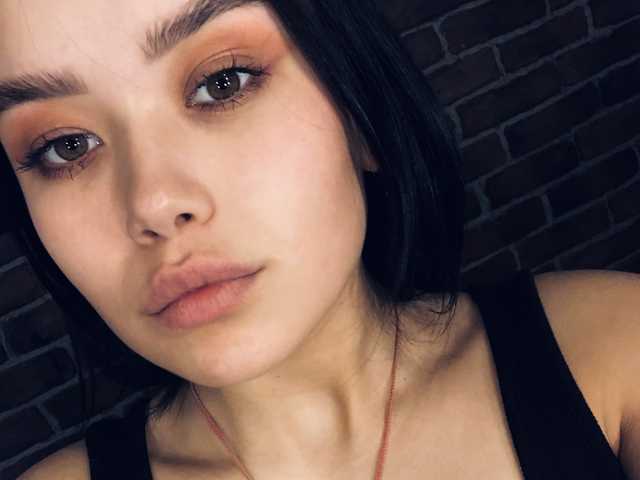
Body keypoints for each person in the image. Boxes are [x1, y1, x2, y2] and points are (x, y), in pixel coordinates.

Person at [0, 0, 638, 478]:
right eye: (66, 146)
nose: (155, 205)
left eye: (222, 83)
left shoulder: (613, 356)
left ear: (359, 112)